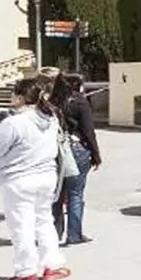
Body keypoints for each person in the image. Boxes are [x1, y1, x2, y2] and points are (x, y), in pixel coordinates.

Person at [0, 77, 71, 280]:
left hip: (19, 178)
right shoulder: (50, 118)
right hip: (46, 176)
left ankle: (26, 270)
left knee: (21, 224)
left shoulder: (14, 122)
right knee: (44, 220)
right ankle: (52, 264)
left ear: (20, 97)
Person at [50, 73, 101, 245]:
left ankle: (53, 234)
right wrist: (96, 154)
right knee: (75, 194)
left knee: (57, 194)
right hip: (77, 149)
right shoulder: (80, 102)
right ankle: (74, 234)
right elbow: (88, 131)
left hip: (56, 149)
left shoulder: (52, 102)